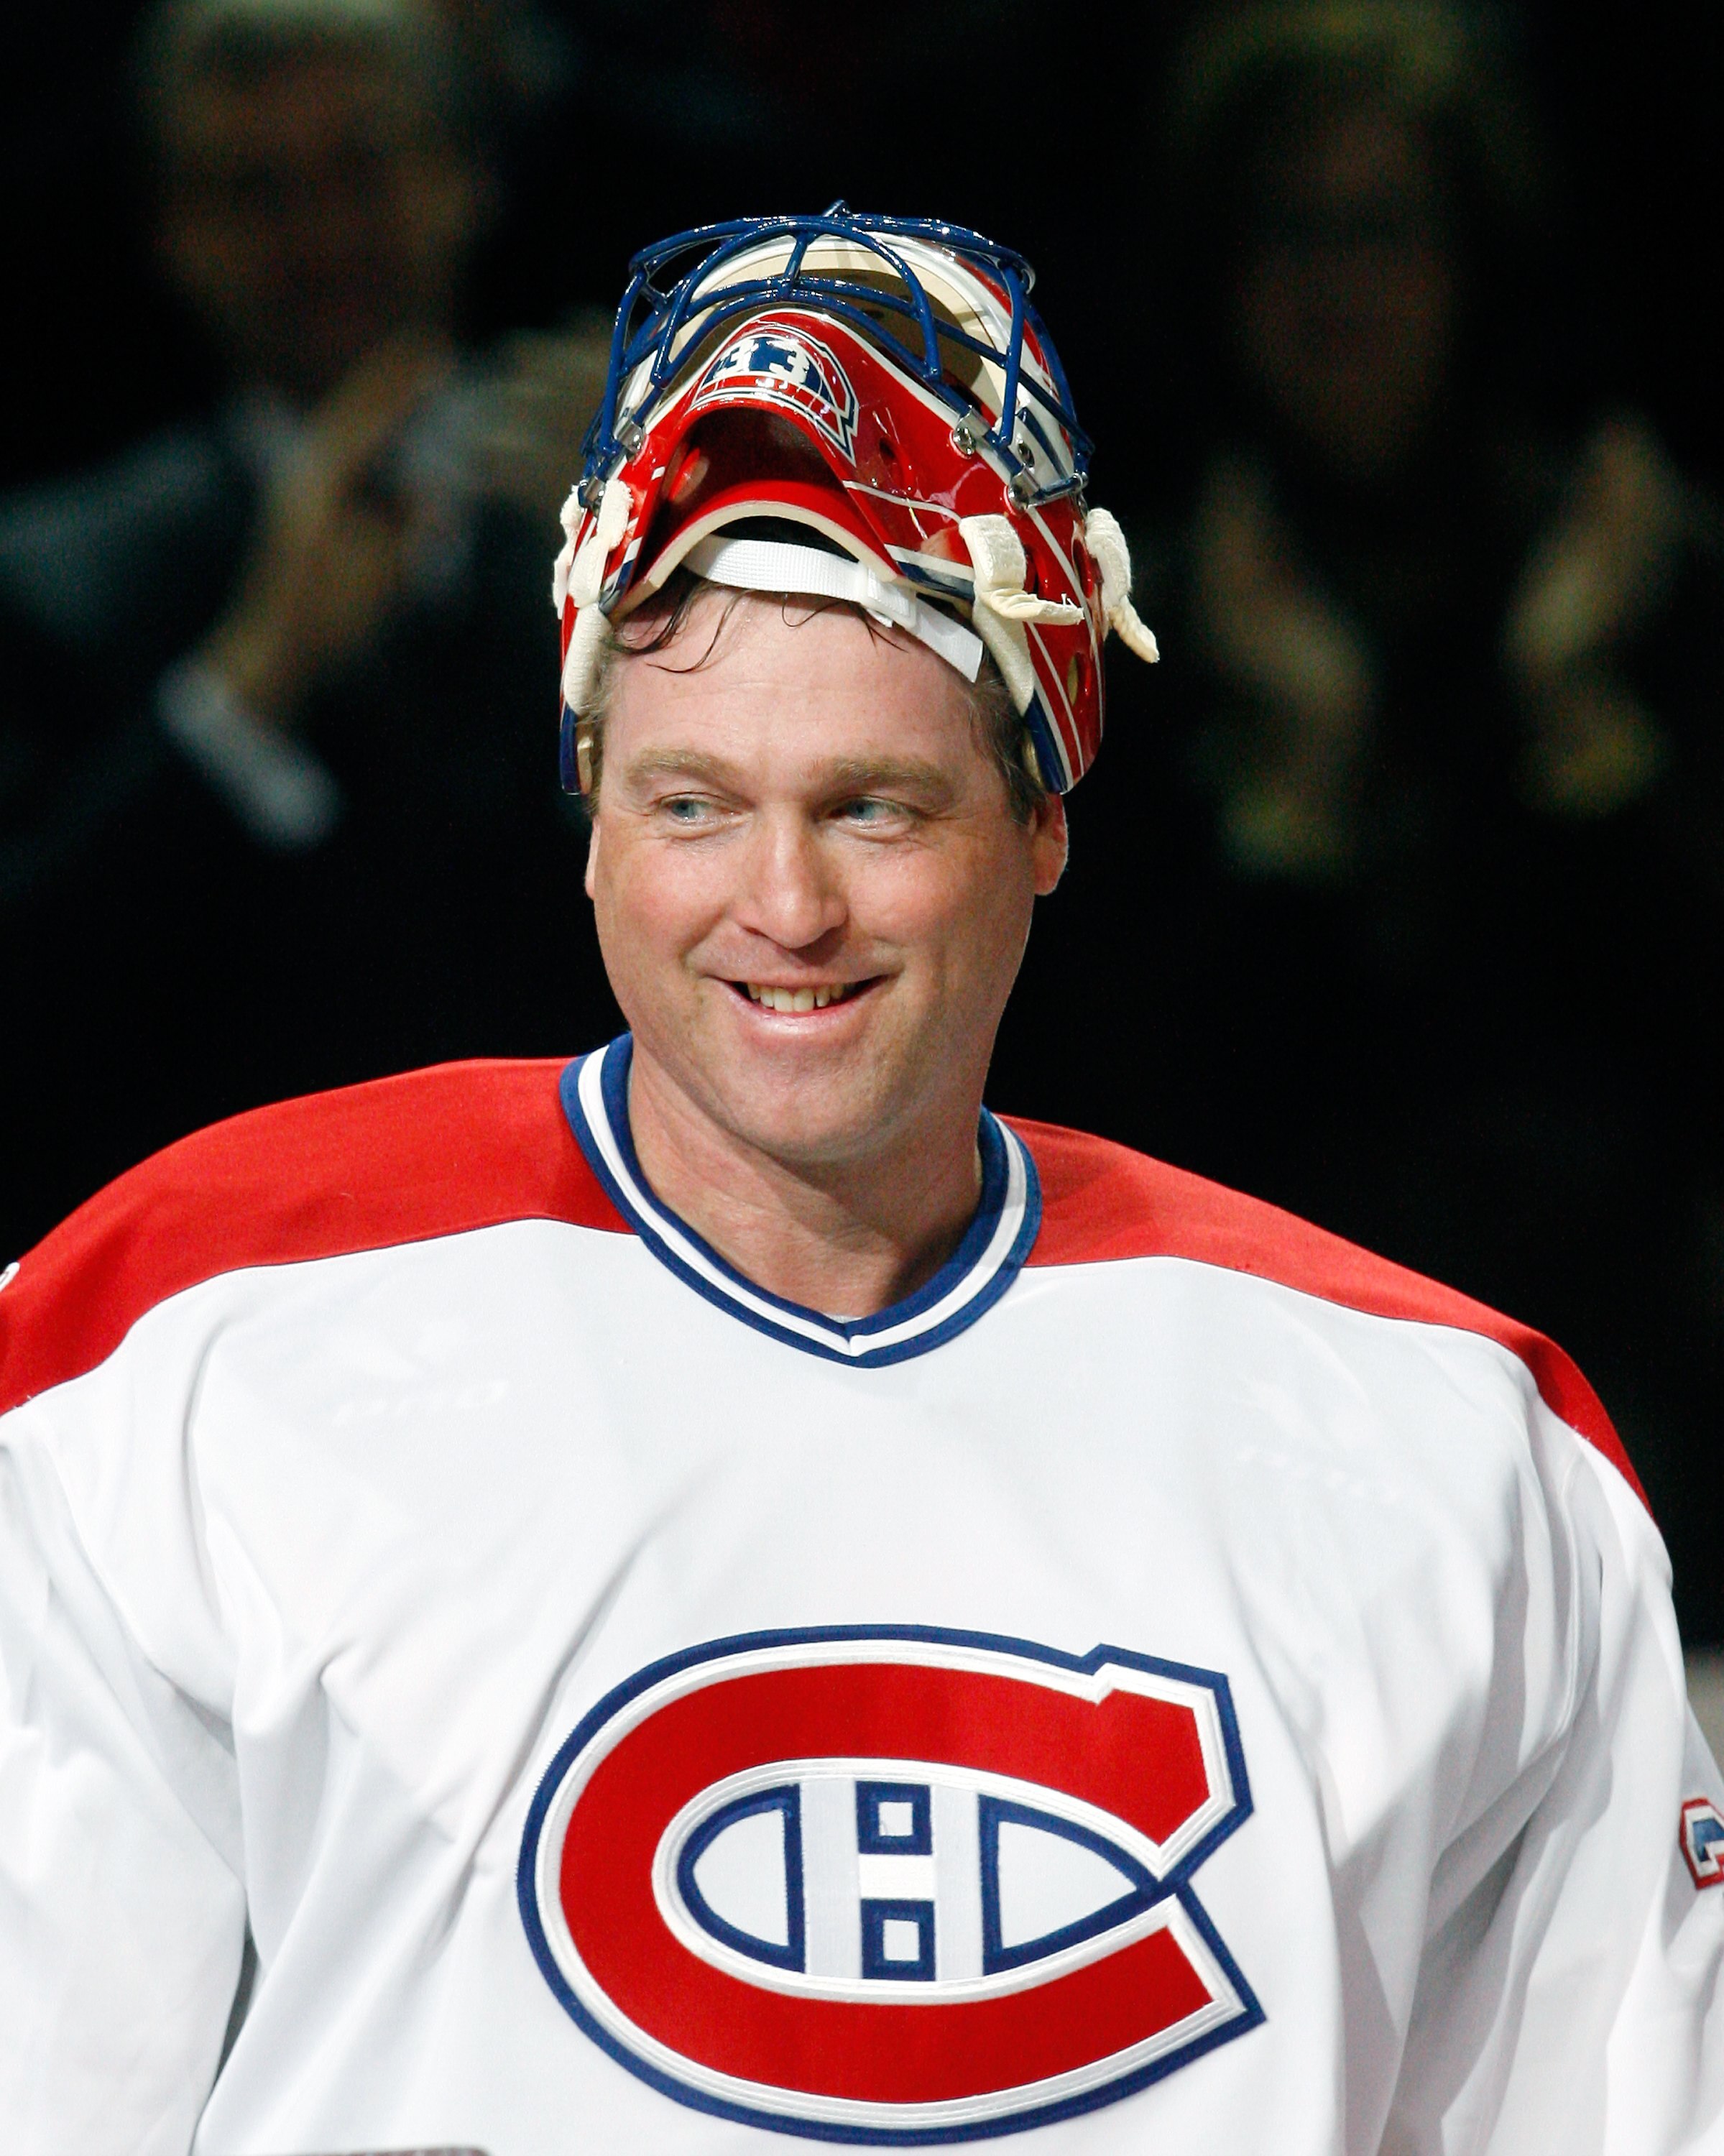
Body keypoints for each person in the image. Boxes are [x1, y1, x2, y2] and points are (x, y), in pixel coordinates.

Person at [1, 210, 1719, 2154]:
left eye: (873, 807)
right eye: (692, 803)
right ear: (590, 816)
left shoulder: (1459, 1454)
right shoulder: (159, 1356)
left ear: (1042, 822)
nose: (785, 906)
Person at [1089, 0, 1724, 1638]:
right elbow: (1138, 1115)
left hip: (1625, 1390)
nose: (1338, 292)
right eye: (1289, 237)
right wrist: (1298, 789)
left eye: (1385, 232)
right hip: (1267, 1405)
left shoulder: (1625, 570)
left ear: (1472, 260)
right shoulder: (1134, 616)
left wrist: (1585, 732)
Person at [0, 0, 614, 1257]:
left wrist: (663, 576)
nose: (323, 235)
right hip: (208, 1271)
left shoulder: (620, 520)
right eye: (257, 192)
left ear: (467, 179)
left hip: (591, 1248)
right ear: (174, 234)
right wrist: (244, 688)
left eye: (363, 169)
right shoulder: (57, 581)